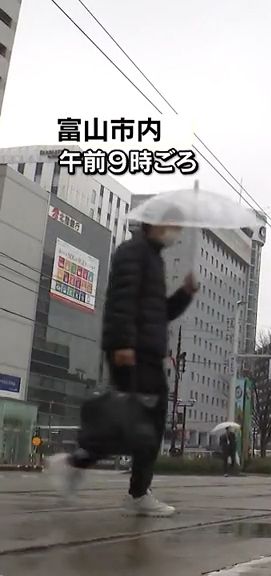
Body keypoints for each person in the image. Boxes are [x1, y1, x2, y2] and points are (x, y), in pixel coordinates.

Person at [47, 220, 197, 517]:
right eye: (173, 225)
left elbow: (159, 314)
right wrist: (123, 345)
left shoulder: (153, 259)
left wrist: (185, 294)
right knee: (132, 422)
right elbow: (120, 301)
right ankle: (125, 487)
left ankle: (92, 470)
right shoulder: (133, 252)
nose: (176, 232)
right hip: (134, 352)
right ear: (155, 224)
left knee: (138, 425)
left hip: (147, 353)